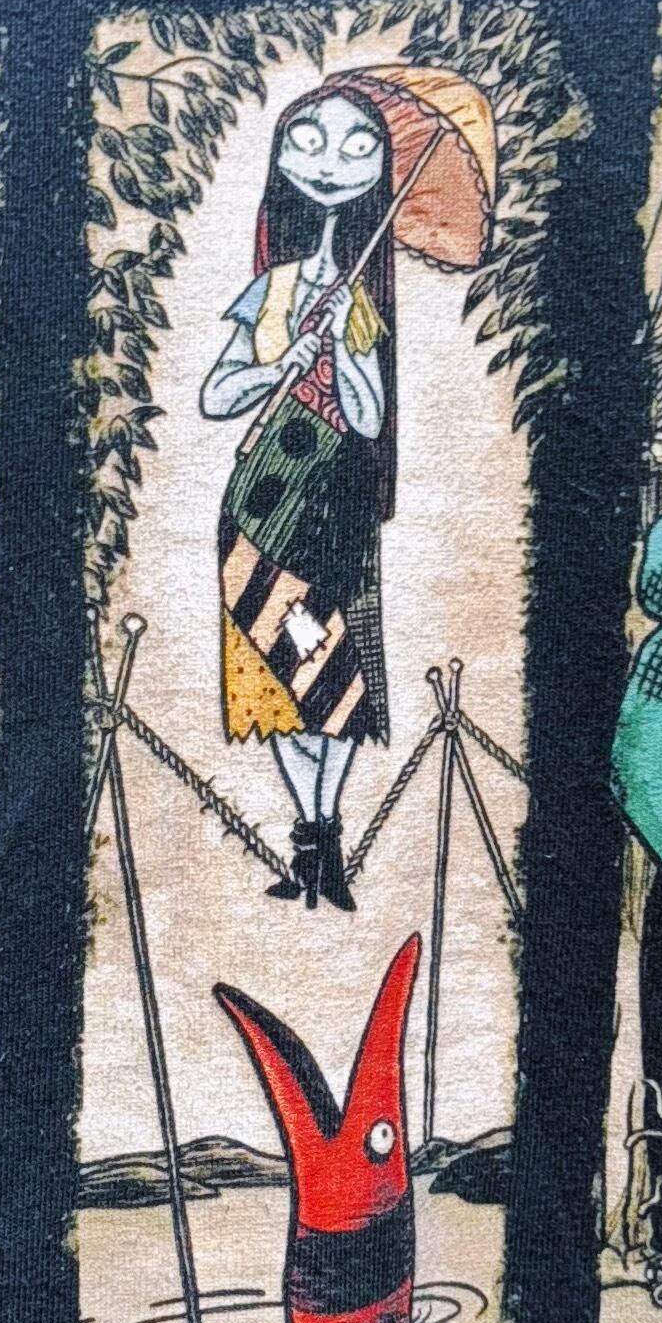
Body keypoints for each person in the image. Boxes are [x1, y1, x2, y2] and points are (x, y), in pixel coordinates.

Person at [201, 79, 407, 914]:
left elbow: (369, 418)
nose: (329, 163)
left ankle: (323, 840)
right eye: (310, 141)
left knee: (336, 682)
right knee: (273, 683)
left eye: (358, 146)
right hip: (259, 506)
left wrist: (347, 350)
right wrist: (274, 366)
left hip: (335, 507)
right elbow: (216, 394)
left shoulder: (360, 300)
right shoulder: (273, 289)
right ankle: (312, 839)